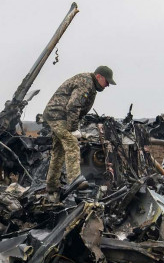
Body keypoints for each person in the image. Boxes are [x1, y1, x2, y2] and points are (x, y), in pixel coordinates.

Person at [42, 66, 115, 200]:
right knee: (71, 143)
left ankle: (51, 187)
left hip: (57, 114)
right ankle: (75, 181)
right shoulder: (86, 83)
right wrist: (73, 128)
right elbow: (73, 106)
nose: (107, 85)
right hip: (58, 115)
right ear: (98, 76)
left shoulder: (90, 84)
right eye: (107, 82)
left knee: (58, 151)